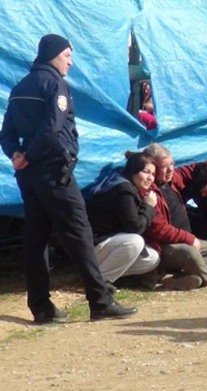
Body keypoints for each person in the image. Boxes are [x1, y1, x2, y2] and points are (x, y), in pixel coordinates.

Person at [0, 34, 136, 322]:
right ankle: (100, 302)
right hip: (54, 172)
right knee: (79, 234)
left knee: (36, 238)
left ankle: (41, 308)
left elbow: (7, 132)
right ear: (53, 54)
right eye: (67, 55)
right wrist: (30, 155)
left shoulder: (20, 87)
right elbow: (52, 128)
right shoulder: (55, 85)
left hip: (28, 175)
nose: (71, 62)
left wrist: (16, 155)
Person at [142, 143, 207, 290]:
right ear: (152, 167)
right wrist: (189, 239)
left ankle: (174, 278)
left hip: (184, 241)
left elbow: (189, 170)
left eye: (172, 164)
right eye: (164, 166)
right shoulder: (148, 192)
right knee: (190, 253)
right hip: (164, 246)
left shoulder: (171, 178)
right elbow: (159, 229)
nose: (170, 169)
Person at [87, 151, 161, 287]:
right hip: (95, 245)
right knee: (135, 242)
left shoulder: (130, 187)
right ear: (133, 171)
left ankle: (101, 274)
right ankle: (97, 281)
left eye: (153, 174)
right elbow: (134, 227)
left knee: (152, 258)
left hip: (111, 244)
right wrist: (148, 207)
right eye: (146, 172)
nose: (150, 178)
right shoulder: (123, 190)